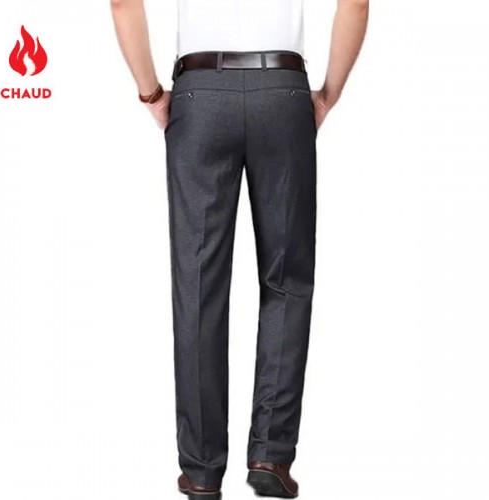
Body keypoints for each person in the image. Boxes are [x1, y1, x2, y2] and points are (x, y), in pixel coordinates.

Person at [110, 0, 368, 498]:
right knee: (286, 280)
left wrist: (151, 93)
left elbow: (123, 4)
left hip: (199, 95)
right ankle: (271, 454)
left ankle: (202, 470)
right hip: (283, 94)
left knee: (197, 284)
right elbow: (355, 4)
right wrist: (327, 94)